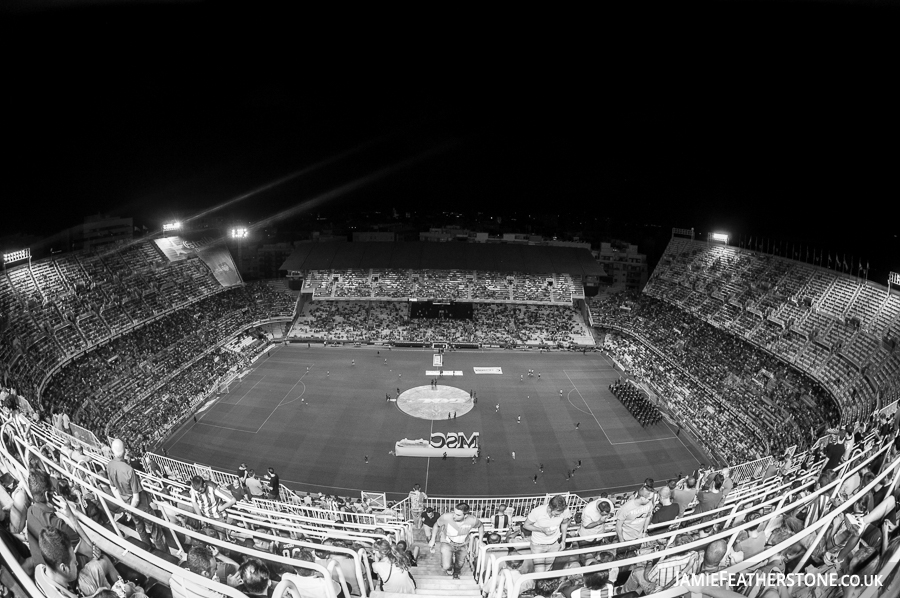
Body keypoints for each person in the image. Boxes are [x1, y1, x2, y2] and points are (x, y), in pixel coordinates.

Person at [105, 439, 166, 551]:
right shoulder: (129, 470)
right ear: (124, 451)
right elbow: (136, 498)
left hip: (128, 504)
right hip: (140, 506)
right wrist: (130, 509)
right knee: (155, 530)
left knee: (140, 528)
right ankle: (164, 554)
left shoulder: (110, 465)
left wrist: (126, 507)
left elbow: (113, 488)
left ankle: (148, 549)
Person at [429, 502, 483, 579]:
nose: (454, 516)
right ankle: (449, 568)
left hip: (462, 545)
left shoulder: (472, 520)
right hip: (447, 543)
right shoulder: (446, 517)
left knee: (460, 564)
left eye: (458, 515)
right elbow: (436, 525)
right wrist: (432, 539)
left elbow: (481, 526)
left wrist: (480, 540)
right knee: (446, 565)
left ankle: (456, 572)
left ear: (466, 516)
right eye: (454, 513)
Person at [523, 495, 571, 572]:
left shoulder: (565, 511)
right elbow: (526, 525)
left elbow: (564, 524)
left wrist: (563, 540)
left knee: (548, 569)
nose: (559, 515)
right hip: (538, 545)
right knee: (540, 572)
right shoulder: (537, 512)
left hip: (554, 544)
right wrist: (542, 530)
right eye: (557, 513)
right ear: (550, 508)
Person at [188, 474, 236, 539]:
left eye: (200, 491)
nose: (199, 493)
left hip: (217, 518)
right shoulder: (194, 488)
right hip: (205, 517)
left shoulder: (212, 487)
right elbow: (194, 502)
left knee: (222, 539)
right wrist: (201, 518)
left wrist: (222, 507)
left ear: (204, 485)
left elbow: (232, 500)